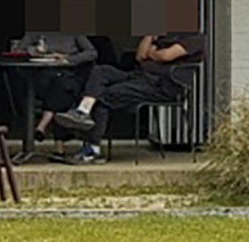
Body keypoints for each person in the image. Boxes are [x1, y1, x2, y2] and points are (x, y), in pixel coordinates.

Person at [41, 32, 202, 160]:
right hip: (139, 77)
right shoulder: (162, 36)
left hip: (161, 86)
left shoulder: (193, 38)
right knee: (102, 71)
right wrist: (150, 35)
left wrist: (153, 52)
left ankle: (91, 150)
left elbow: (166, 56)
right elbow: (140, 56)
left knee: (104, 95)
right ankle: (83, 110)